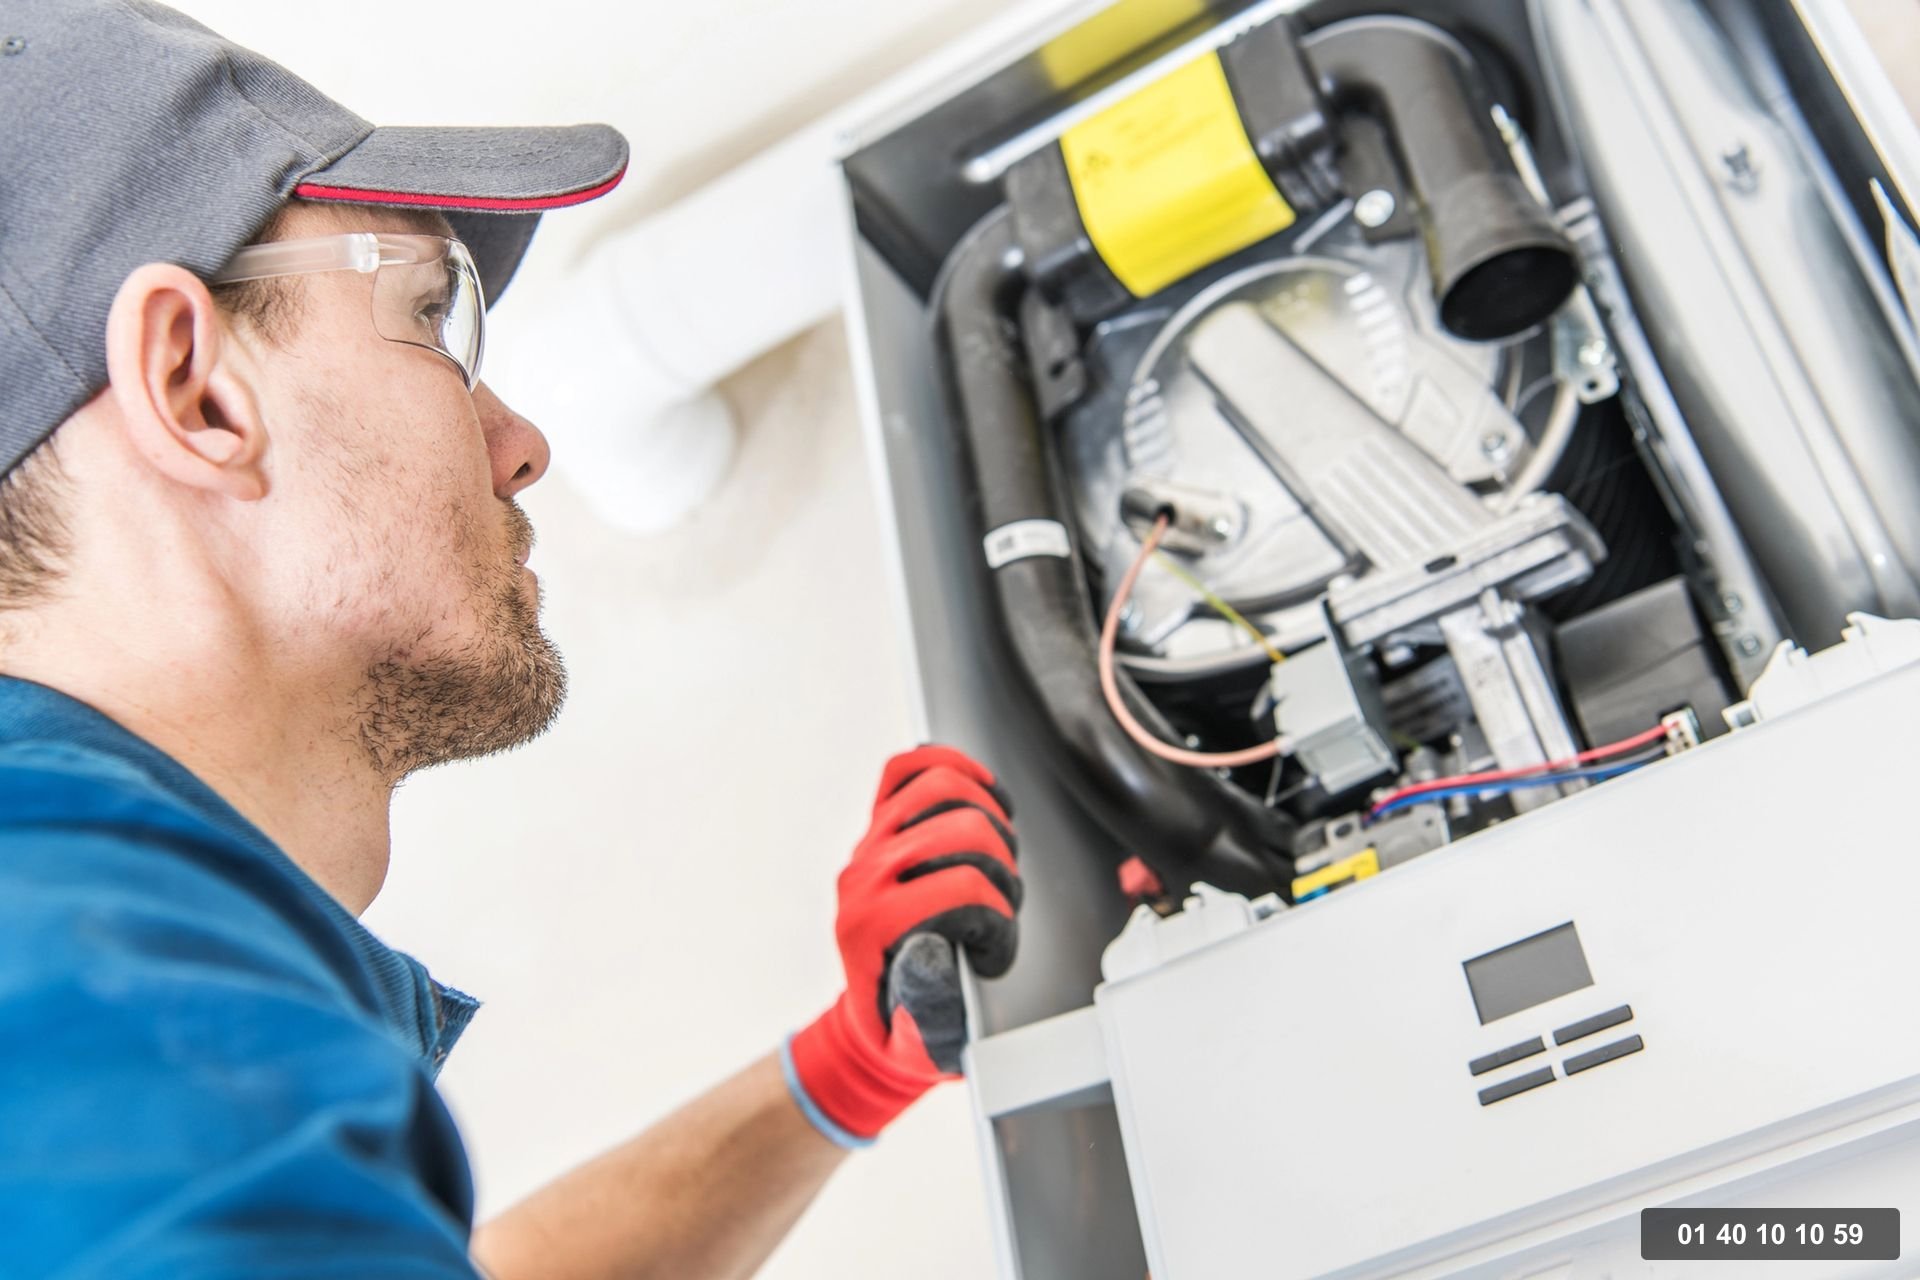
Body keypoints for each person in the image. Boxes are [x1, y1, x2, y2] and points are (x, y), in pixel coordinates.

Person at [0, 3, 1023, 1276]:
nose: (521, 443)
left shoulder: (96, 1028)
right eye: (430, 313)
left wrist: (852, 1066)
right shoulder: (108, 1004)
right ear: (194, 389)